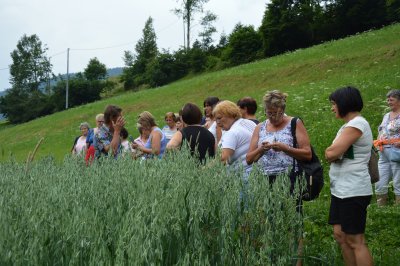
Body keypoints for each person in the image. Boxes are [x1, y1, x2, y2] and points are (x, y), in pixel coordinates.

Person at [325, 86, 373, 266]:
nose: (332, 108)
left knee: (355, 240)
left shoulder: (357, 124)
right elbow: (332, 153)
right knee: (340, 235)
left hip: (354, 189)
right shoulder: (348, 125)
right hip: (340, 190)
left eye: (334, 104)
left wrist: (331, 152)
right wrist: (332, 152)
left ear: (344, 103)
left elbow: (331, 153)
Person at [246, 90, 312, 184]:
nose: (274, 117)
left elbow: (308, 154)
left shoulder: (294, 123)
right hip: (264, 179)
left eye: (278, 113)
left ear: (283, 110)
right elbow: (249, 159)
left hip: (290, 177)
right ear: (265, 111)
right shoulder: (260, 127)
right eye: (270, 113)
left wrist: (286, 148)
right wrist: (261, 149)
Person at [213, 100, 256, 176]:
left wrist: (203, 170)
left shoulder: (232, 132)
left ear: (230, 114)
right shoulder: (249, 123)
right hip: (256, 172)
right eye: (216, 119)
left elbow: (223, 159)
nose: (217, 122)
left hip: (242, 177)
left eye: (219, 118)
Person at [374, 89, 400, 206]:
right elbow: (381, 130)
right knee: (380, 180)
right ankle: (380, 208)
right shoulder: (386, 115)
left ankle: (396, 210)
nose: (389, 102)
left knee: (398, 180)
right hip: (383, 152)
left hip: (396, 152)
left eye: (392, 100)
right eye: (388, 100)